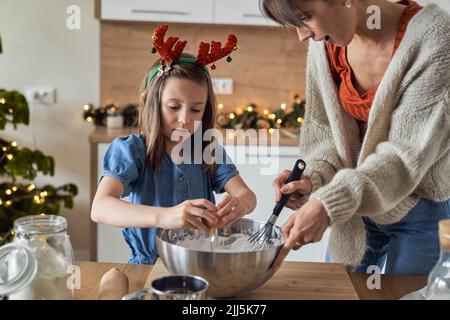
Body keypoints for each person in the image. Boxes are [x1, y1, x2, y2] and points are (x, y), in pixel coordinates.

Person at [261, 0, 450, 275]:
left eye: (306, 17)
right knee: (337, 292)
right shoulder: (326, 44)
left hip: (420, 208)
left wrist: (329, 204)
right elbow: (325, 132)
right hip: (355, 206)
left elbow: (404, 157)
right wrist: (312, 177)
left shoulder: (435, 38)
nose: (303, 35)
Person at [91, 25, 256, 264]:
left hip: (201, 266)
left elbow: (247, 194)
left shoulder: (206, 148)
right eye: (173, 107)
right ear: (150, 101)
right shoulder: (131, 150)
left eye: (196, 109)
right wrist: (165, 216)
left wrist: (242, 203)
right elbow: (100, 208)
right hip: (148, 268)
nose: (185, 119)